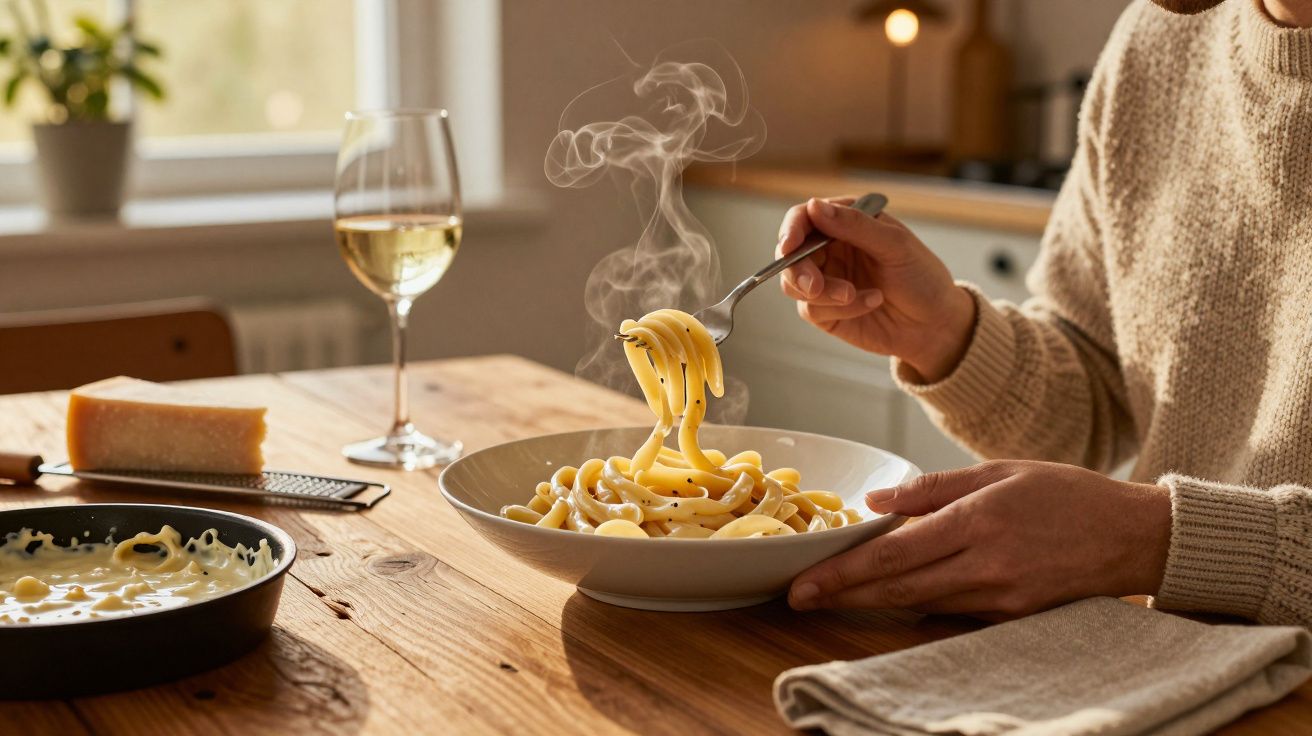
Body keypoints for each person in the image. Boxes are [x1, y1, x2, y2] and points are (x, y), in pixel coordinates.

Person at [780, 0, 1312, 625]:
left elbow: (1140, 536)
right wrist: (947, 334)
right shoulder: (1158, 36)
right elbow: (1095, 394)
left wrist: (1153, 540)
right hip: (1157, 656)